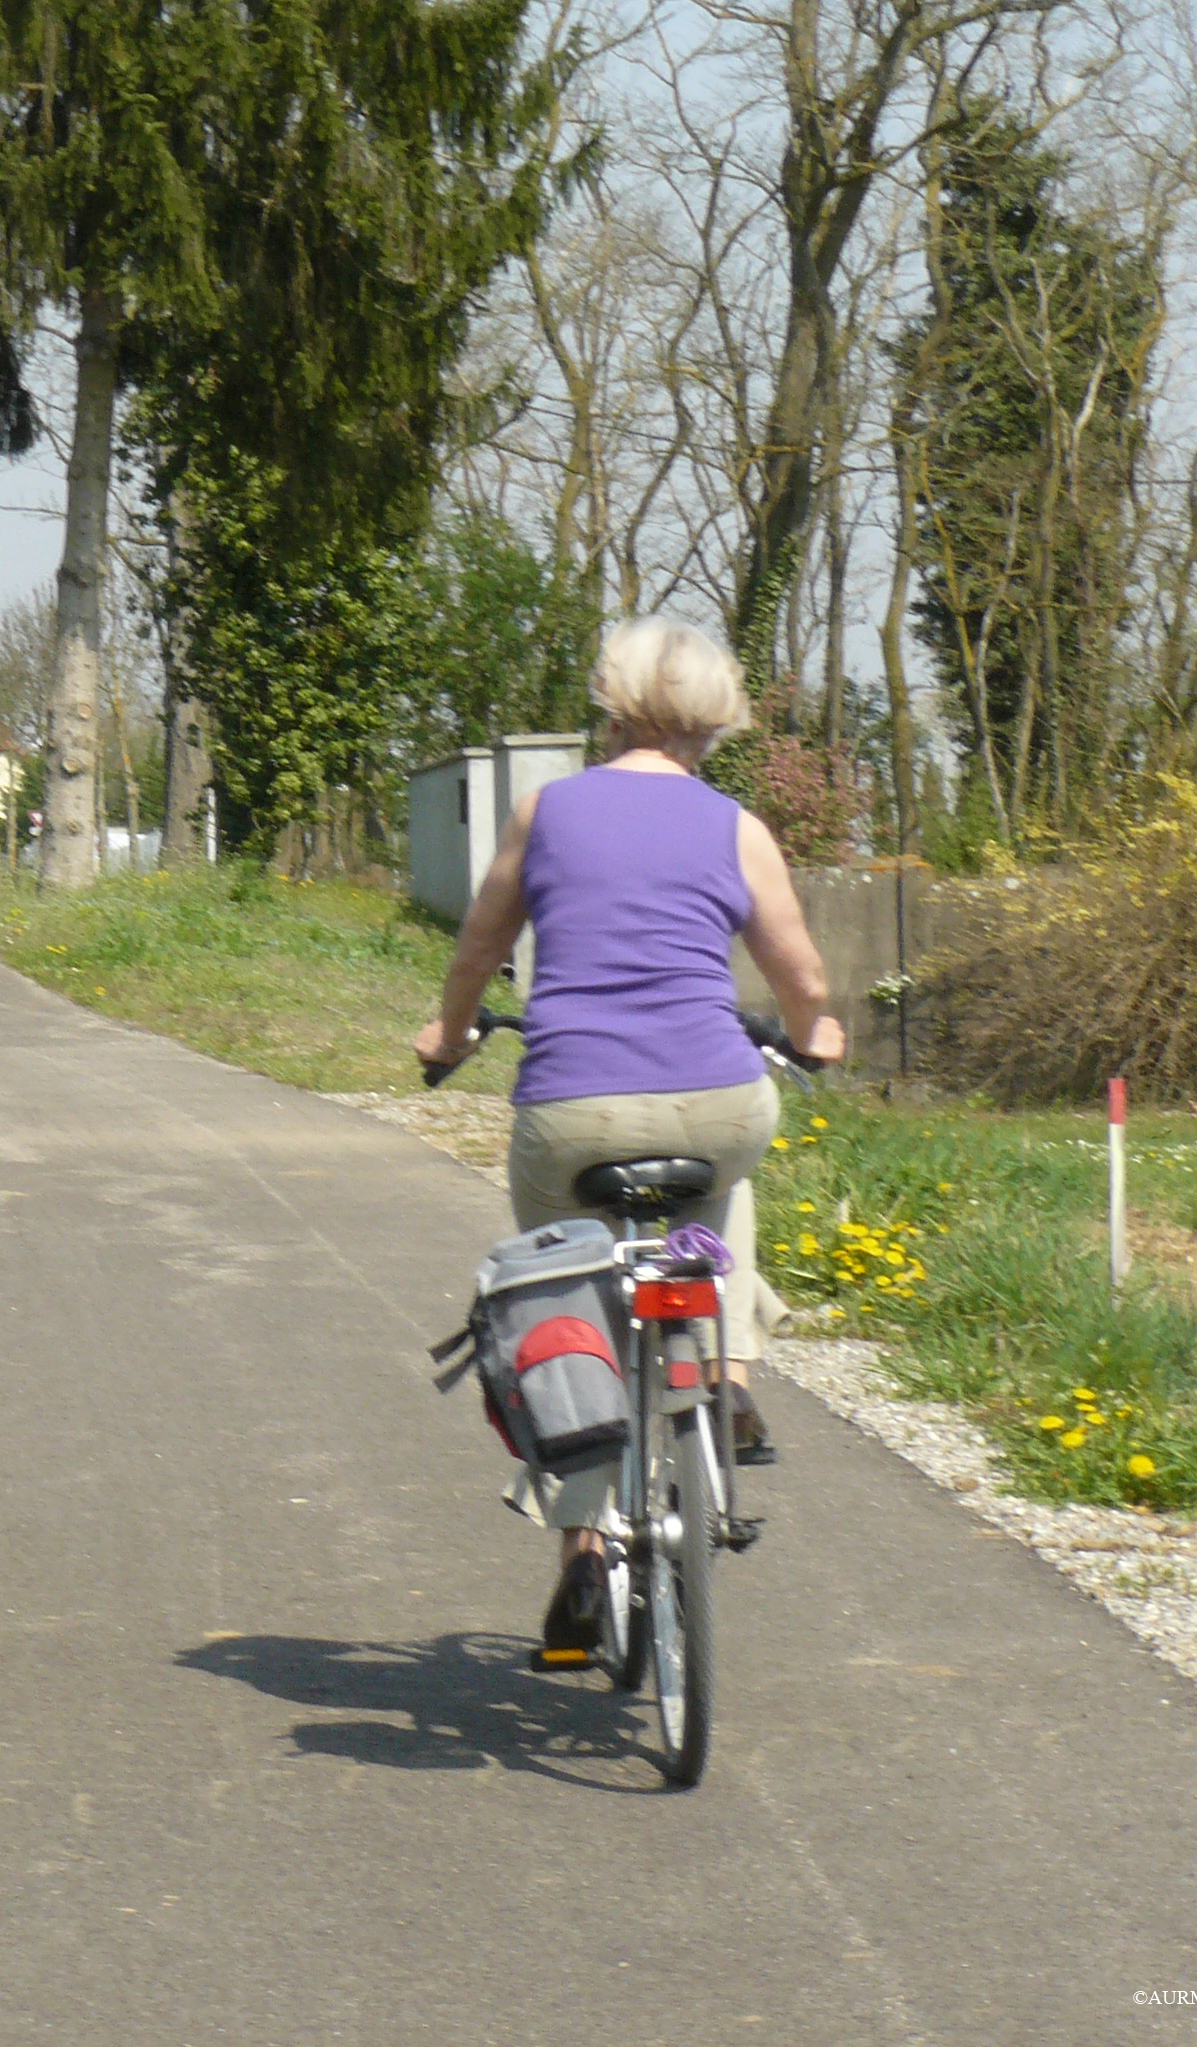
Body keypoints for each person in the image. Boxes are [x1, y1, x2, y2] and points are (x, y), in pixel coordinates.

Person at [411, 617, 846, 1659]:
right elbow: (803, 976)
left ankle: (579, 1561)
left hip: (572, 1111)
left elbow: (481, 945)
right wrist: (818, 1030)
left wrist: (450, 1029)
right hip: (717, 1098)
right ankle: (728, 1369)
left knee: (564, 1298)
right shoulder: (735, 824)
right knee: (725, 1183)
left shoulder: (546, 809)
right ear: (715, 718)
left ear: (610, 704)